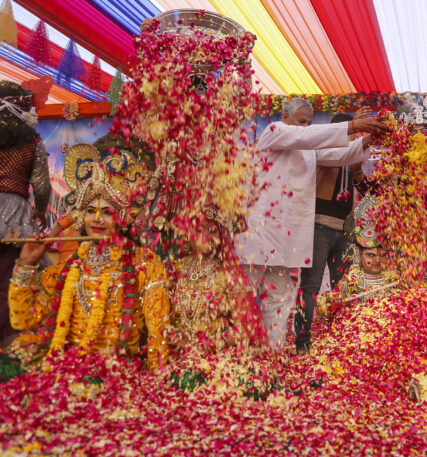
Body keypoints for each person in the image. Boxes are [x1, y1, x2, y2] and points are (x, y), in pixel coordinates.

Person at [237, 98, 389, 353]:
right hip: (260, 234)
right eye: (301, 121)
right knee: (245, 295)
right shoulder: (274, 131)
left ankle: (271, 353)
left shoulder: (308, 148)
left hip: (284, 240)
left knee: (280, 298)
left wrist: (369, 139)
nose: (306, 127)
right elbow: (307, 136)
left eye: (309, 122)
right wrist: (352, 126)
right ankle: (239, 354)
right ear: (285, 118)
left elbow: (342, 155)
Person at [5, 144, 170, 373]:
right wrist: (26, 265)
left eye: (107, 212)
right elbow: (23, 321)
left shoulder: (145, 265)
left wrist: (158, 378)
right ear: (82, 216)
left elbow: (157, 330)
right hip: (67, 370)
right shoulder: (70, 267)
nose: (97, 219)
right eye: (91, 211)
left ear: (123, 218)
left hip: (117, 374)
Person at [295, 108, 371, 354]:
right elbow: (340, 155)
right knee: (311, 286)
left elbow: (363, 188)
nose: (352, 140)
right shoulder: (321, 153)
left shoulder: (349, 158)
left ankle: (340, 338)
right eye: (348, 134)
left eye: (353, 135)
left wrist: (358, 169)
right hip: (319, 228)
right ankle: (302, 342)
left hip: (344, 233)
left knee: (344, 287)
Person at [170, 205, 264, 354]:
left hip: (216, 355)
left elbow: (247, 329)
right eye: (199, 230)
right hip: (177, 351)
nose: (206, 236)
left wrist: (209, 345)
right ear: (187, 235)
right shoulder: (173, 270)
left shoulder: (230, 274)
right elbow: (161, 319)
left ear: (221, 236)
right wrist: (175, 339)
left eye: (213, 230)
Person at [0, 81, 51, 343]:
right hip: (13, 214)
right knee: (9, 277)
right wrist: (40, 212)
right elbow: (41, 186)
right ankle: (9, 339)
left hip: (13, 214)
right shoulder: (32, 141)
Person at [316, 196, 399, 320]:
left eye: (382, 256)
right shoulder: (352, 279)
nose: (377, 260)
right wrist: (330, 301)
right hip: (359, 327)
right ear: (360, 255)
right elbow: (323, 309)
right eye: (371, 255)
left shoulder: (393, 278)